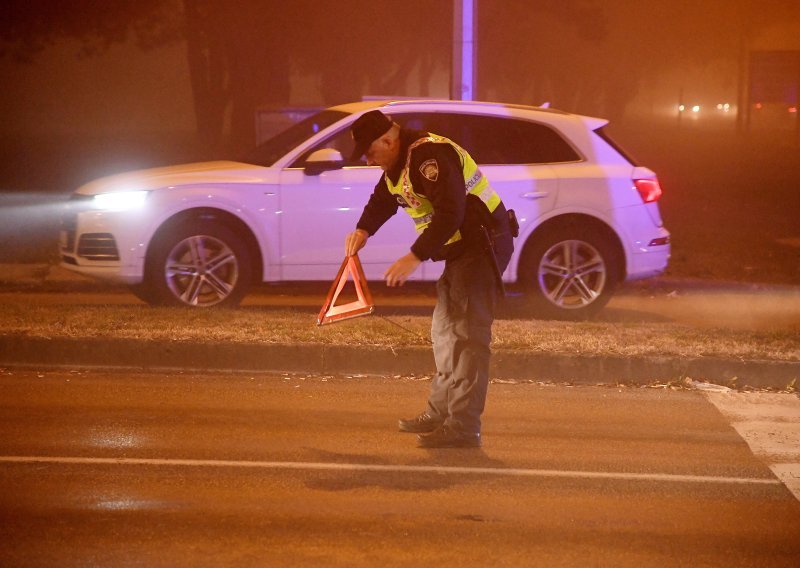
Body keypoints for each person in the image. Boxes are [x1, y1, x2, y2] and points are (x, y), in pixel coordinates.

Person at [345, 110, 514, 449]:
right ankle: (440, 412)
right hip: (461, 251)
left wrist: (415, 256)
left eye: (371, 152)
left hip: (482, 247)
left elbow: (452, 211)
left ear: (388, 140)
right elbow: (383, 199)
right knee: (444, 333)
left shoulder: (428, 155)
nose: (369, 160)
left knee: (467, 339)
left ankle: (464, 426)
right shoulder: (398, 164)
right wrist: (363, 229)